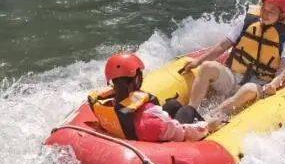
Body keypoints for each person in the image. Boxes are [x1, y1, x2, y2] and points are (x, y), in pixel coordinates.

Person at [176, 0, 285, 122]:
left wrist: (274, 84)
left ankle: (210, 118)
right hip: (232, 76)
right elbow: (222, 46)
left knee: (248, 89)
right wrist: (198, 61)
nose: (265, 14)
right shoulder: (247, 22)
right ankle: (190, 111)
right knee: (207, 67)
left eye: (271, 11)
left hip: (257, 84)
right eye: (264, 9)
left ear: (282, 15)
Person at [89, 53, 217, 142]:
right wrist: (206, 126)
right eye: (140, 74)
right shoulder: (150, 119)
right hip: (158, 135)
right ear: (136, 80)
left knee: (173, 104)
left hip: (131, 132)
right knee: (188, 110)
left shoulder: (107, 103)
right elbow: (181, 132)